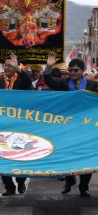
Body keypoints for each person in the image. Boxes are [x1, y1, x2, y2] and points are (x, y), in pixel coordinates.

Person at [44, 53, 98, 197]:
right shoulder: (63, 83)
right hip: (67, 128)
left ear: (83, 70)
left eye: (75, 70)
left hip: (86, 128)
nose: (72, 72)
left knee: (86, 156)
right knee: (66, 154)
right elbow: (49, 82)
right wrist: (49, 66)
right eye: (70, 70)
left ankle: (84, 186)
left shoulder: (93, 85)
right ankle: (69, 180)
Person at [0, 54, 32, 196]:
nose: (7, 68)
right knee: (2, 156)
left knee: (20, 155)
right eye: (5, 65)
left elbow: (27, 81)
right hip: (1, 126)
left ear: (16, 67)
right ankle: (8, 186)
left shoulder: (22, 80)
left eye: (10, 65)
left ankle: (21, 182)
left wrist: (19, 69)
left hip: (19, 125)